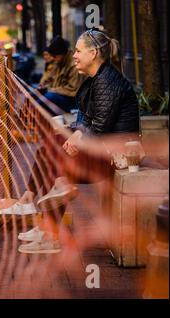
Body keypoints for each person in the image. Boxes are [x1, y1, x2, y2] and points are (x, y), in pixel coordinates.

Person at [16, 29, 141, 254]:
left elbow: (100, 128)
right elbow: (85, 120)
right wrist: (73, 133)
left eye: (78, 51)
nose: (74, 55)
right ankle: (37, 209)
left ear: (93, 54)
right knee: (53, 144)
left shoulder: (107, 81)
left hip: (116, 157)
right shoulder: (95, 80)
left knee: (58, 158)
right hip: (102, 150)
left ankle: (47, 229)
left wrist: (77, 135)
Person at [36, 36, 84, 115]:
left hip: (72, 101)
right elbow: (51, 79)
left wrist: (51, 90)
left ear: (62, 54)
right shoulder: (58, 62)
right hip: (59, 95)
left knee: (48, 97)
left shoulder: (74, 65)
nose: (53, 58)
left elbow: (73, 90)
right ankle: (27, 115)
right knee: (36, 93)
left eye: (55, 56)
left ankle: (33, 117)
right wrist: (44, 85)